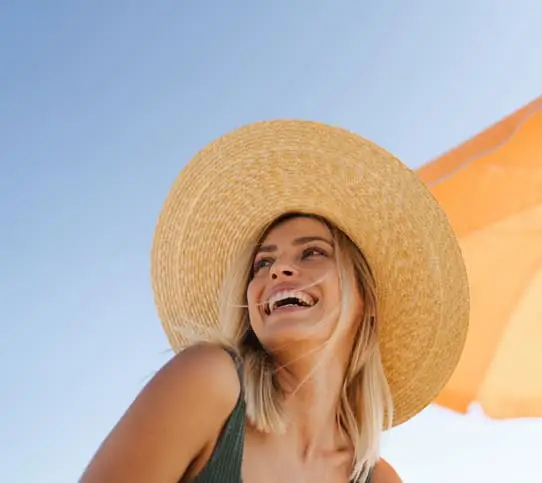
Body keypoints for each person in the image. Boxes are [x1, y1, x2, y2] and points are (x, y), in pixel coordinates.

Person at [80, 120, 469, 482]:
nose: (278, 271)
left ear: (365, 299)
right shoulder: (207, 381)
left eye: (312, 253)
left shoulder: (379, 478)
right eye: (262, 262)